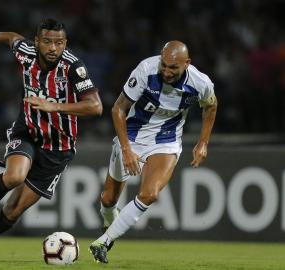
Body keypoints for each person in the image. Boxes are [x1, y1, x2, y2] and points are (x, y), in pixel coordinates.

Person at [0, 18, 103, 262]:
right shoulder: (26, 53)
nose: (53, 48)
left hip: (58, 147)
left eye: (59, 43)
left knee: (12, 211)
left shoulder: (73, 67)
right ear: (37, 42)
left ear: (65, 43)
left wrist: (54, 106)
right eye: (47, 41)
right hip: (27, 131)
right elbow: (10, 36)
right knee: (15, 176)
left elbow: (95, 107)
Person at [89, 40, 217, 263]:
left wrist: (203, 142)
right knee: (109, 199)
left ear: (187, 63)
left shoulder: (200, 83)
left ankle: (103, 241)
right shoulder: (145, 70)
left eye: (173, 68)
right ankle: (110, 219)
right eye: (164, 65)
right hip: (131, 136)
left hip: (166, 141)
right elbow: (118, 108)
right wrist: (127, 149)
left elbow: (211, 105)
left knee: (150, 194)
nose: (167, 71)